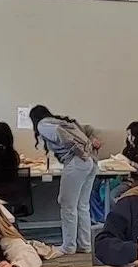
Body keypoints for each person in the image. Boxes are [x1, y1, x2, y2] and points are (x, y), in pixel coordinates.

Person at [30, 105, 99, 257]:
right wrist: (86, 152)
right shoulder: (61, 122)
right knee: (82, 205)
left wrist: (79, 152)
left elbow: (60, 135)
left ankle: (68, 246)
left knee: (67, 205)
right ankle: (85, 244)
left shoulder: (43, 125)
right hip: (90, 162)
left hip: (76, 161)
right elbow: (86, 132)